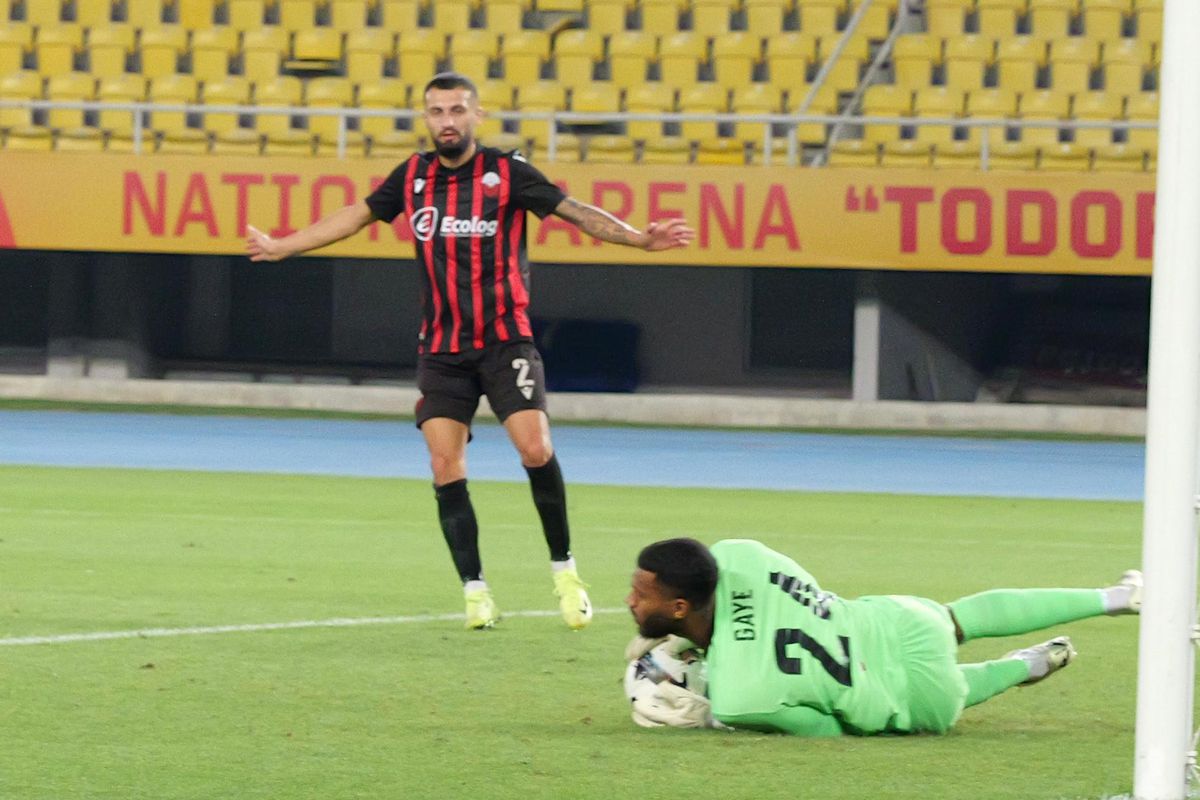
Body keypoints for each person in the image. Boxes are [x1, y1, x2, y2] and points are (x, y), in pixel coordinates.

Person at [246, 72, 695, 631]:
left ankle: (564, 571)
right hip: (442, 351)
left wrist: (638, 238)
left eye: (457, 110)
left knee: (534, 449)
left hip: (506, 341)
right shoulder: (411, 178)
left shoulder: (507, 174)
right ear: (427, 118)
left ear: (477, 115)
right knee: (443, 465)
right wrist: (284, 246)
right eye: (436, 112)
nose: (447, 121)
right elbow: (355, 216)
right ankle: (476, 591)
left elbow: (574, 211)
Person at [623, 537, 1142, 734]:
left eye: (640, 594)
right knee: (965, 617)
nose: (629, 601)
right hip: (901, 625)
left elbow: (827, 733)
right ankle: (1115, 599)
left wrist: (716, 717)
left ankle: (1022, 667)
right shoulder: (738, 554)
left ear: (679, 608)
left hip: (919, 698)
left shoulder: (738, 697)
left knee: (955, 686)